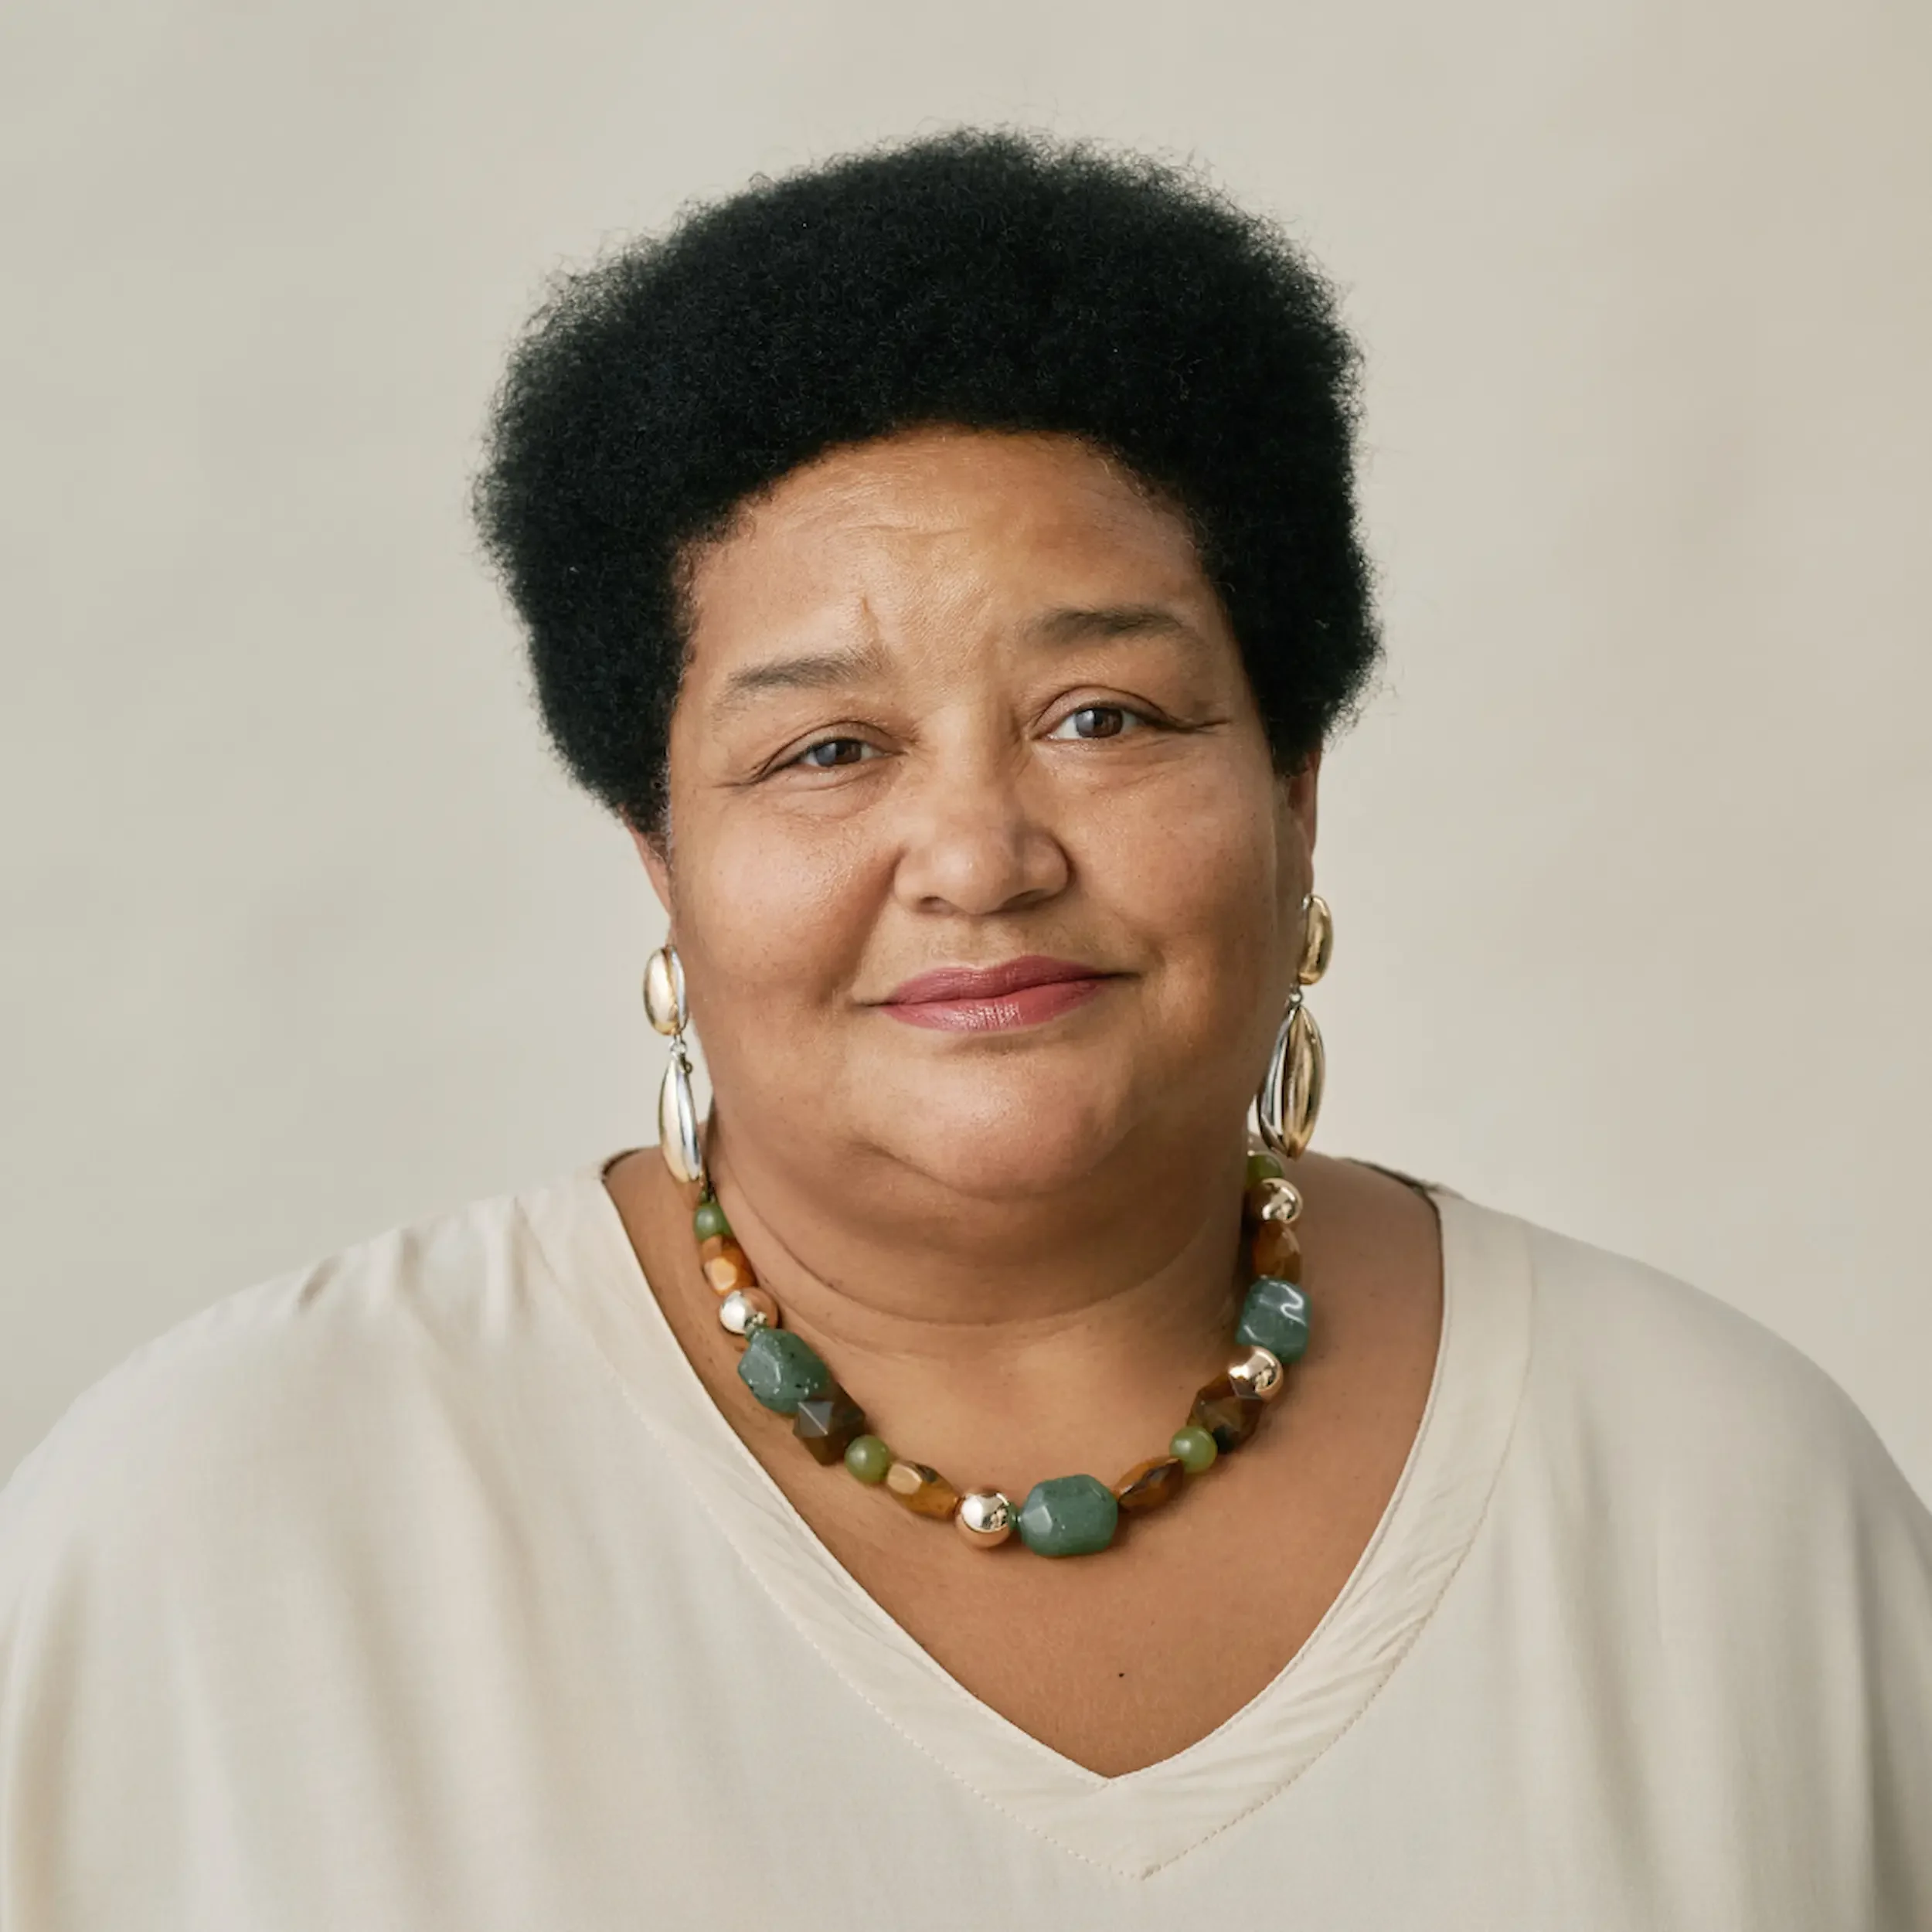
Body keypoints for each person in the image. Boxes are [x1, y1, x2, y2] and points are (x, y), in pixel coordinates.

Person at [2, 128, 1927, 1930]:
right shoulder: (227, 1529)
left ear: (1295, 788)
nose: (980, 855)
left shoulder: (1723, 1499)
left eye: (1103, 715)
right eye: (825, 749)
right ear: (660, 860)